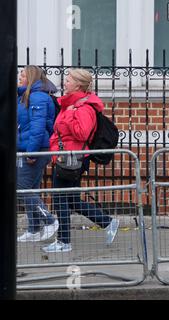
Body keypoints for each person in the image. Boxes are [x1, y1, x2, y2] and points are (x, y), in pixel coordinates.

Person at [42, 68, 119, 253]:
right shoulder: (71, 104)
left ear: (78, 84)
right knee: (72, 200)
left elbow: (82, 133)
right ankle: (107, 222)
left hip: (73, 159)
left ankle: (64, 242)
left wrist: (68, 115)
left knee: (60, 199)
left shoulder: (83, 108)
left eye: (68, 80)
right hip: (66, 157)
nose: (64, 82)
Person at [17, 66, 59, 242]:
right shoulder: (24, 96)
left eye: (23, 75)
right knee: (30, 189)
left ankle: (49, 220)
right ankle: (34, 229)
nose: (19, 77)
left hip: (35, 150)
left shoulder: (38, 97)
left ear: (31, 77)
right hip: (26, 149)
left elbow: (38, 128)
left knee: (22, 188)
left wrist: (31, 152)